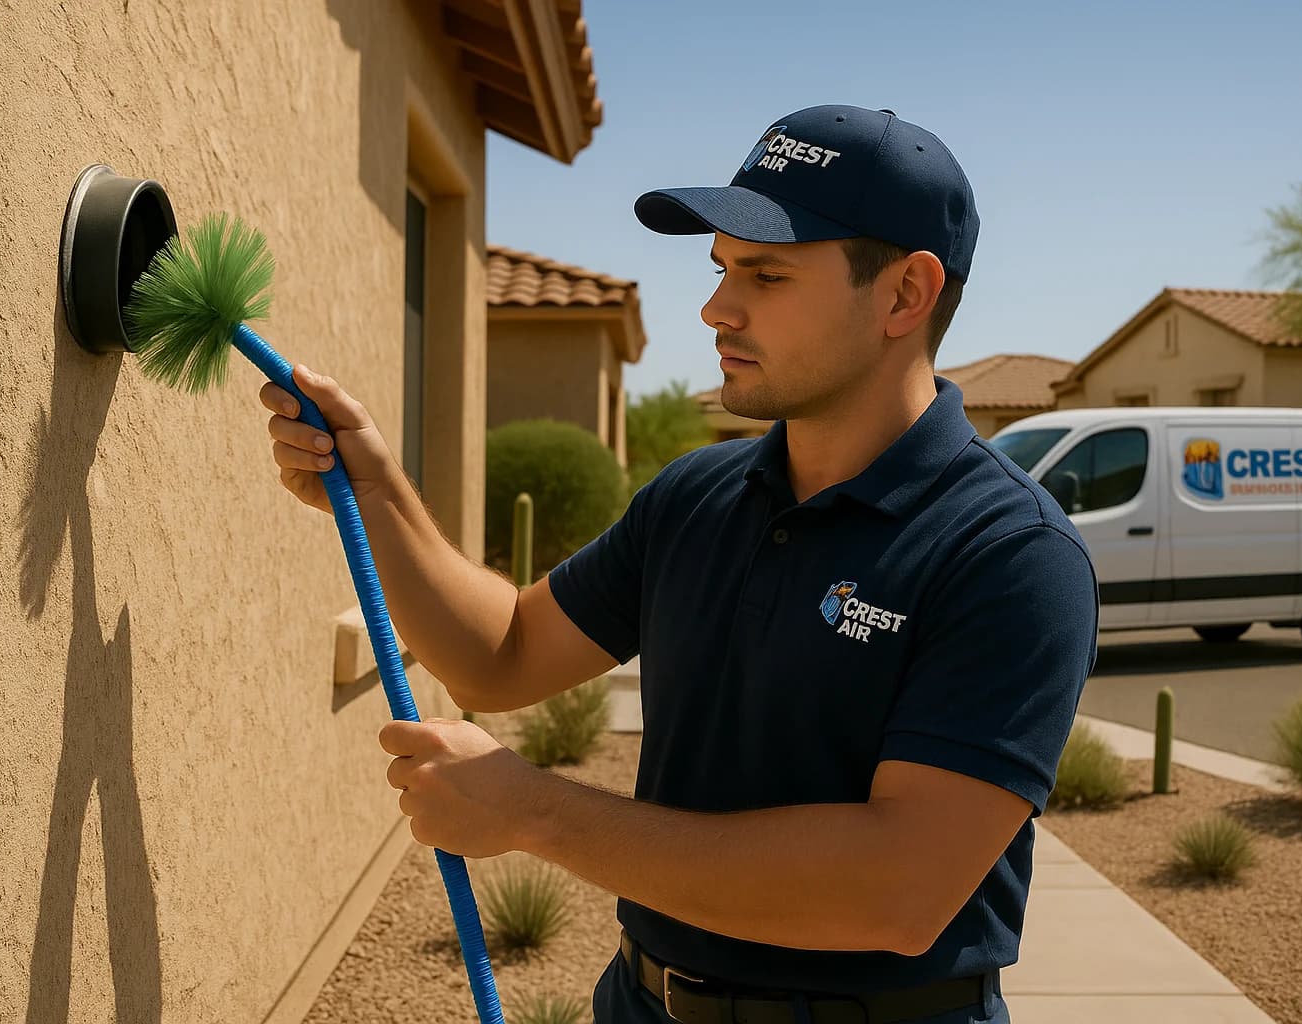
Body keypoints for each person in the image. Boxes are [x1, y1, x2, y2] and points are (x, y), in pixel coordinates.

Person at [261, 104, 1098, 1024]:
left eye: (767, 275)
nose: (715, 309)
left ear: (906, 295)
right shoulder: (696, 496)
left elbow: (895, 890)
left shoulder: (1012, 555)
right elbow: (501, 654)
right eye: (721, 270)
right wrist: (379, 493)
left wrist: (533, 811)